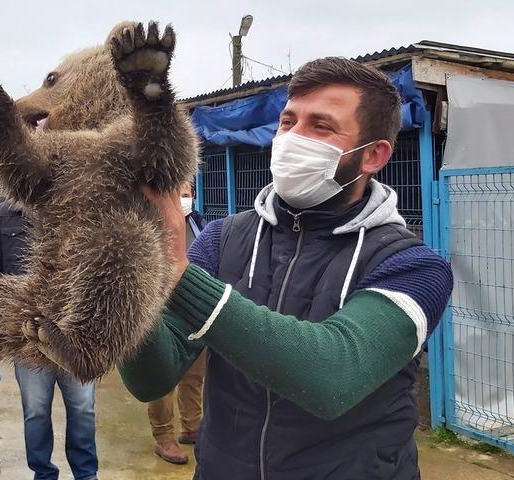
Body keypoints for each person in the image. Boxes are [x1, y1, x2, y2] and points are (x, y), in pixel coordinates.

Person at [118, 57, 455, 479]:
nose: (293, 138)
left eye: (321, 126)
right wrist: (128, 277)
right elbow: (154, 378)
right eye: (288, 121)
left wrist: (179, 275)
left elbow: (334, 375)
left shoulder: (413, 266)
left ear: (373, 155)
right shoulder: (223, 239)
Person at [0, 201, 99, 480]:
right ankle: (43, 473)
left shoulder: (78, 206)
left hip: (75, 333)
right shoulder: (2, 216)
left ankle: (86, 473)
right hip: (27, 335)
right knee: (35, 410)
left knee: (83, 407)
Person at [148, 181, 206, 465]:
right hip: (160, 313)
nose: (182, 200)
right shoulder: (149, 226)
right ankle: (164, 438)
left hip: (193, 313)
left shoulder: (199, 224)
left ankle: (192, 427)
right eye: (176, 194)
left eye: (186, 194)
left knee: (194, 376)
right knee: (162, 381)